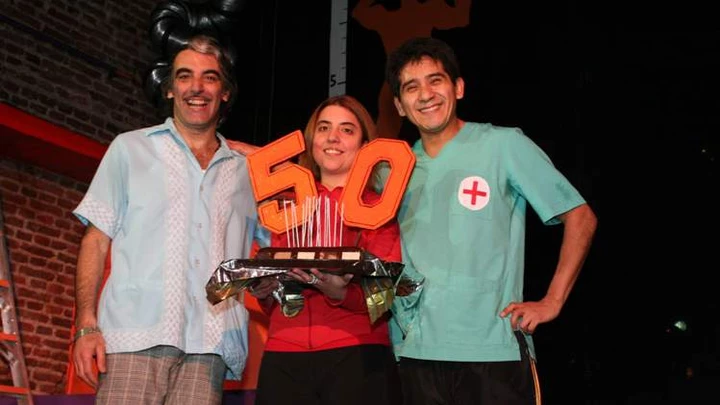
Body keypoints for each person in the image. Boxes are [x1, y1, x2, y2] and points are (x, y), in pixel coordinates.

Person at [385, 37, 598, 404]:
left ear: (458, 87)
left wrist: (553, 300)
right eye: (411, 87)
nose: (425, 95)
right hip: (415, 353)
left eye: (436, 80)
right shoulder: (392, 170)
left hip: (494, 353)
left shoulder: (503, 145)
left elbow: (580, 216)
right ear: (399, 106)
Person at [72, 35, 258, 405]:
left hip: (210, 345)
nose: (196, 87)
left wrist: (267, 159)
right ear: (170, 88)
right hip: (133, 338)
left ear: (224, 92)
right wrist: (86, 325)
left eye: (210, 77)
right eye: (185, 76)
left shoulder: (248, 172)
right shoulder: (130, 148)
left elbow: (296, 226)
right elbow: (96, 239)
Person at [247, 95, 403, 405]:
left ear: (364, 146)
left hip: (356, 353)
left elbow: (386, 296)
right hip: (283, 353)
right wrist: (265, 292)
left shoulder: (379, 209)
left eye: (347, 129)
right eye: (324, 128)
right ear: (311, 140)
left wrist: (342, 294)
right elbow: (278, 294)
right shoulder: (284, 208)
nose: (333, 137)